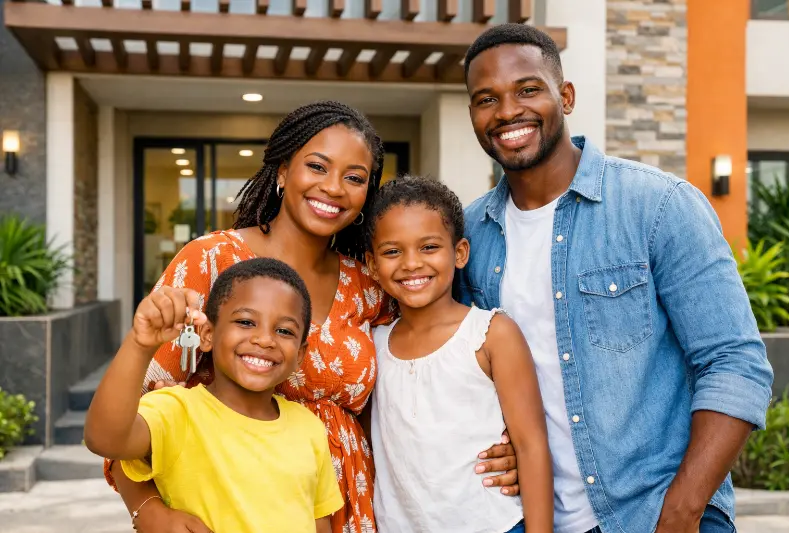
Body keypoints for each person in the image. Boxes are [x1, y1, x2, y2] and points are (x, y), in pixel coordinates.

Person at [103, 101, 520, 533]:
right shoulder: (212, 261)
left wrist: (500, 447)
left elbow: (428, 371)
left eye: (354, 178)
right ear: (283, 172)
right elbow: (132, 409)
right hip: (236, 501)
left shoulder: (368, 282)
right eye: (317, 167)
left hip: (357, 504)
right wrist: (148, 510)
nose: (334, 188)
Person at [457, 23, 774, 533]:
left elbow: (735, 364)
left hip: (655, 513)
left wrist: (683, 510)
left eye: (528, 89)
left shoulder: (659, 206)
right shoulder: (468, 235)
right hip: (526, 519)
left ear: (566, 96)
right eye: (486, 99)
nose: (508, 111)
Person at [85, 258, 343, 532]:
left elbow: (320, 523)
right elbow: (104, 438)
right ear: (207, 334)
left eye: (284, 331)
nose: (265, 339)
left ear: (300, 355)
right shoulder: (178, 411)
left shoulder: (309, 428)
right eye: (245, 322)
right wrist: (139, 345)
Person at [364, 176, 553, 533]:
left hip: (494, 524)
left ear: (460, 253)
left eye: (429, 247)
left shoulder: (490, 334)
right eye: (392, 251)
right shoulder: (373, 345)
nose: (411, 263)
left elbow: (531, 447)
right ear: (372, 265)